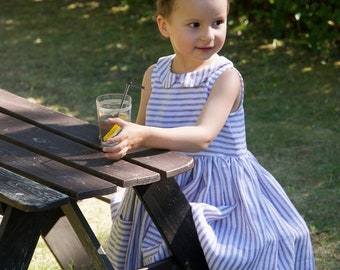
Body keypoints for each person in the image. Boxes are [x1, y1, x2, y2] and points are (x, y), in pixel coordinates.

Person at [103, 0, 315, 269]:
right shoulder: (154, 75)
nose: (208, 35)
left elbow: (203, 137)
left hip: (219, 190)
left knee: (230, 253)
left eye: (218, 22)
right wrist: (127, 141)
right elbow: (143, 130)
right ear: (164, 26)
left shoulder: (225, 78)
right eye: (194, 25)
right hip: (162, 183)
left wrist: (142, 135)